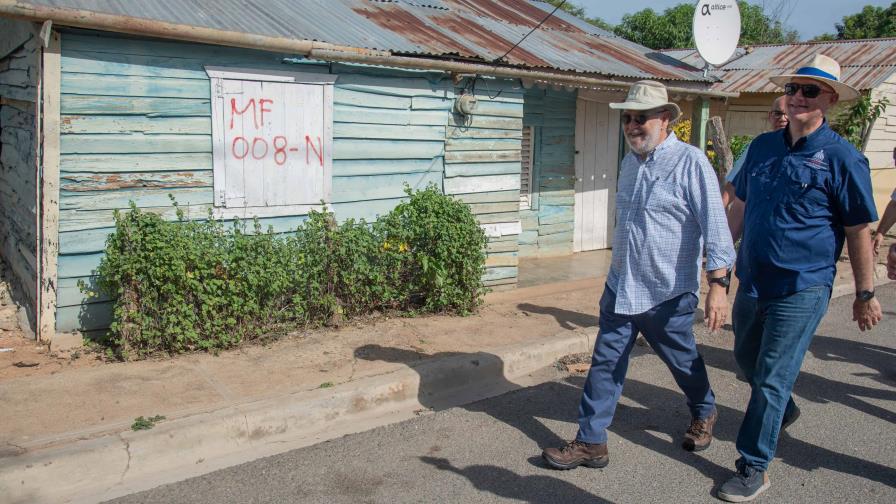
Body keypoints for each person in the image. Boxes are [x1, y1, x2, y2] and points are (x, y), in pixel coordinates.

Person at [542, 80, 736, 470]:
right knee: (605, 363)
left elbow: (715, 226)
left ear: (665, 119)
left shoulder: (690, 162)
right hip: (620, 285)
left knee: (682, 361)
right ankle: (591, 442)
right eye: (627, 118)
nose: (632, 125)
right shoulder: (630, 161)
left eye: (641, 118)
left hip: (667, 291)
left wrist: (718, 286)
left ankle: (704, 409)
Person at [722, 54, 882, 502]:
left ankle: (753, 466)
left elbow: (857, 229)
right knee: (747, 362)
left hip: (803, 286)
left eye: (809, 90)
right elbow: (740, 205)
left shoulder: (843, 158)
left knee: (772, 376)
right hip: (752, 280)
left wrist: (865, 292)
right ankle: (781, 411)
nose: (797, 97)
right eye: (793, 88)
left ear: (829, 99)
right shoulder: (762, 147)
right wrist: (719, 259)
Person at [721, 97, 789, 209]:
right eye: (778, 113)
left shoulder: (806, 149)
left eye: (788, 114)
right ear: (770, 116)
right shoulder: (757, 146)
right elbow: (733, 186)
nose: (782, 118)